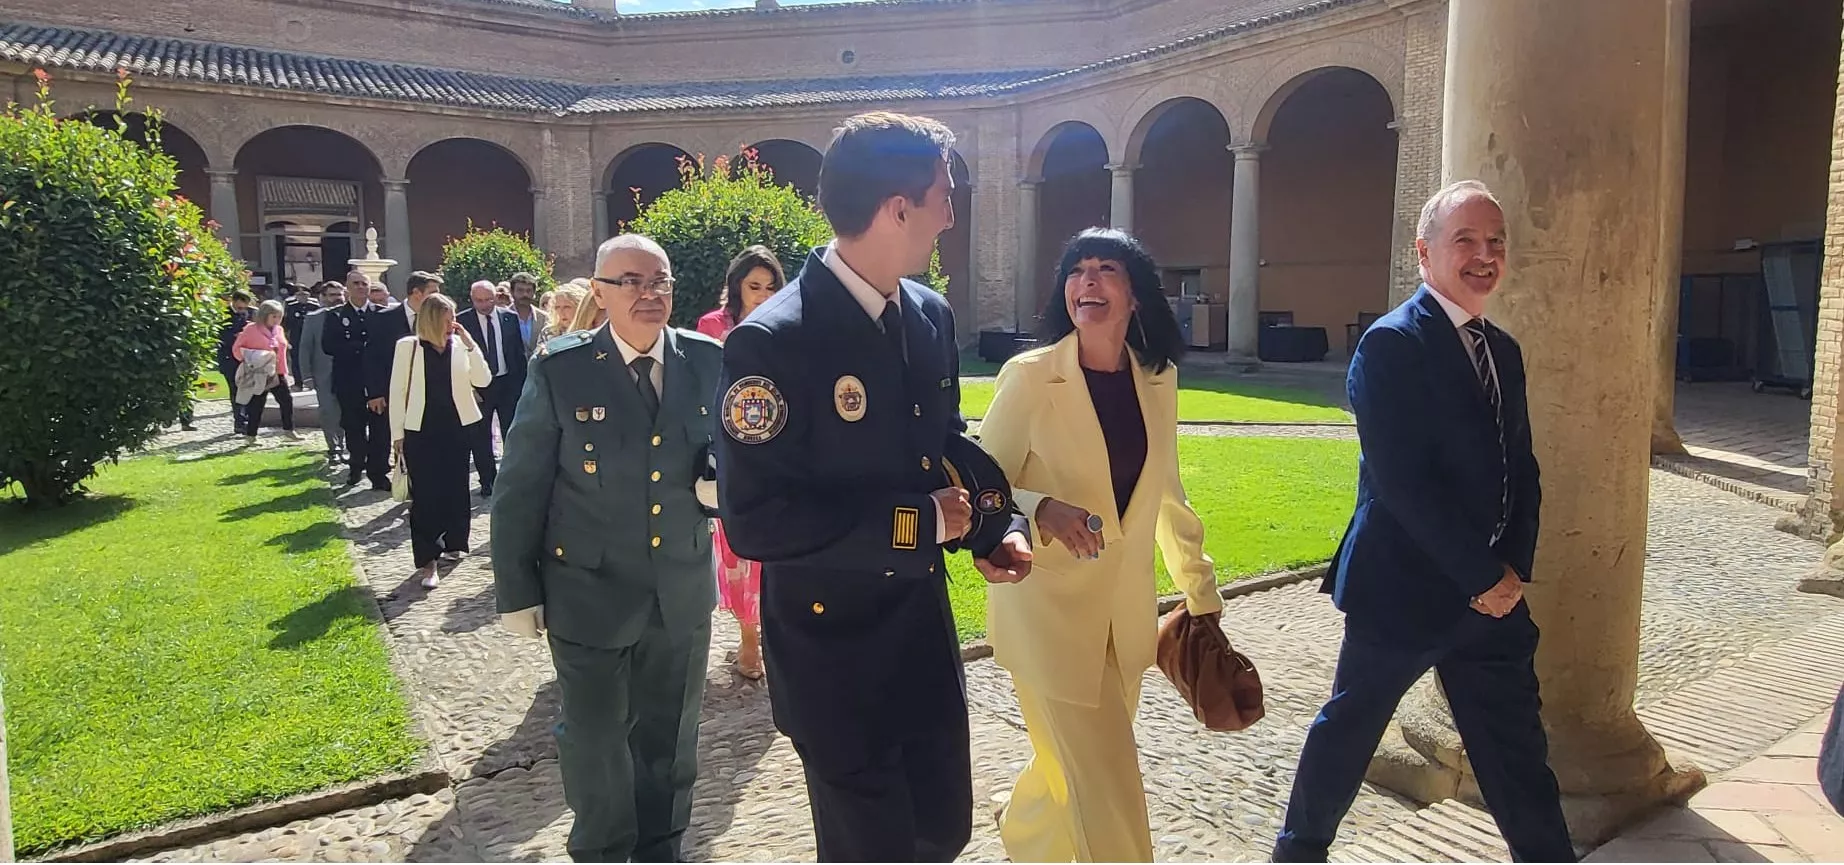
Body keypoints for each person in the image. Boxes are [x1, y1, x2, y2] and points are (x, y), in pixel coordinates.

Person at [715, 111, 1032, 862]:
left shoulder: (926, 313)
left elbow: (941, 443)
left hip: (920, 636)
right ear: (898, 208)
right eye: (942, 195)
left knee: (940, 830)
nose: (950, 214)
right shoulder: (773, 340)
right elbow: (756, 519)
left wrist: (994, 524)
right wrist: (916, 523)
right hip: (834, 655)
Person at [1271, 180, 1571, 863]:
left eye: (1495, 241)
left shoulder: (1505, 351)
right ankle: (1296, 854)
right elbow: (1403, 484)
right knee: (1349, 731)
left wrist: (1513, 569)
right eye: (1465, 239)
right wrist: (1480, 573)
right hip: (1402, 593)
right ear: (1425, 252)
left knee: (1518, 752)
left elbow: (1521, 466)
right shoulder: (1390, 344)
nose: (1483, 254)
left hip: (1493, 598)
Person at [977, 228, 1222, 862]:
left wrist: (1201, 592)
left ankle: (1023, 832)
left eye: (1105, 269)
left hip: (1124, 621)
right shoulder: (1030, 379)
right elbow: (980, 485)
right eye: (1077, 269)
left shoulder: (1158, 382)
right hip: (1048, 616)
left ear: (1135, 295)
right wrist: (1040, 509)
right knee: (1110, 788)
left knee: (1068, 767)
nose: (1087, 280)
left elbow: (1166, 493)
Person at [492, 234, 725, 863]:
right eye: (631, 281)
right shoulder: (561, 368)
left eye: (661, 281)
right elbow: (521, 483)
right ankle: (600, 850)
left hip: (678, 585)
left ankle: (661, 850)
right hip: (587, 590)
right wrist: (517, 589)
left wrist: (721, 485)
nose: (649, 295)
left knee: (671, 741)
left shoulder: (708, 360)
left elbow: (739, 451)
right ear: (599, 291)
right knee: (594, 738)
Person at [696, 245, 786, 679]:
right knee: (737, 548)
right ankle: (748, 634)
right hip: (731, 449)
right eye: (754, 286)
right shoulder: (714, 326)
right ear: (737, 287)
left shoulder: (789, 325)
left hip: (783, 451)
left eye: (771, 287)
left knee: (776, 546)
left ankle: (769, 631)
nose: (763, 295)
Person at [390, 293, 489, 589]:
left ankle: (454, 542)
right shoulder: (408, 348)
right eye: (446, 320)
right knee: (425, 498)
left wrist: (471, 345)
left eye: (453, 319)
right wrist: (397, 435)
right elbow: (398, 391)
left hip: (457, 427)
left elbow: (484, 380)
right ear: (431, 319)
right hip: (420, 430)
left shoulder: (460, 346)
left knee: (456, 489)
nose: (452, 325)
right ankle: (427, 560)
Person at [363, 271, 445, 493]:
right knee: (383, 433)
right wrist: (375, 392)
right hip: (392, 389)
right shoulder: (385, 318)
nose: (437, 297)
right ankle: (379, 475)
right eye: (432, 292)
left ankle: (418, 480)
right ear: (417, 293)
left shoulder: (438, 320)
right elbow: (372, 357)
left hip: (426, 390)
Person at [458, 279, 528, 497]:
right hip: (480, 386)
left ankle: (512, 476)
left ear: (496, 298)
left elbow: (518, 354)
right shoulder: (463, 321)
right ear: (472, 299)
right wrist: (469, 387)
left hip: (507, 382)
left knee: (512, 432)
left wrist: (522, 385)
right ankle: (487, 479)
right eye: (479, 300)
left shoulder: (509, 318)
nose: (484, 304)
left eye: (489, 300)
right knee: (480, 435)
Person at [324, 271, 392, 488]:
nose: (361, 287)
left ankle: (379, 473)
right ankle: (356, 466)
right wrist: (358, 348)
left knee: (381, 430)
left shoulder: (382, 314)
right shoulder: (335, 315)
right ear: (347, 287)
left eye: (365, 284)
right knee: (354, 428)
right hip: (349, 381)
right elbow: (329, 346)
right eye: (356, 283)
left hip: (378, 384)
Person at [232, 300, 301, 444]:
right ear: (264, 315)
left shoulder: (279, 330)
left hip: (278, 372)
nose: (277, 320)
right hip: (260, 372)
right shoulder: (251, 329)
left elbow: (282, 346)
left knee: (286, 401)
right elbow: (237, 349)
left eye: (279, 317)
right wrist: (252, 360)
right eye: (274, 316)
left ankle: (289, 430)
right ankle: (251, 435)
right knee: (257, 404)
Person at [298, 281, 347, 465]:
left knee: (346, 411)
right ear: (324, 297)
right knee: (328, 411)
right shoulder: (314, 318)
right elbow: (305, 348)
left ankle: (346, 446)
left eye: (339, 294)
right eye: (332, 295)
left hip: (347, 373)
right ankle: (333, 447)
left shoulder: (350, 315)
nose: (337, 298)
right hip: (323, 373)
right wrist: (307, 376)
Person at [217, 289, 254, 432]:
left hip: (243, 357)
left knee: (246, 388)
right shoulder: (224, 315)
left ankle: (245, 418)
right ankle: (239, 421)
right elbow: (221, 335)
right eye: (240, 307)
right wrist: (237, 335)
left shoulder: (246, 313)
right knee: (235, 389)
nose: (242, 310)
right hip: (229, 358)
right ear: (234, 301)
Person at [282, 281, 321, 390]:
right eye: (300, 294)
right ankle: (298, 382)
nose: (303, 296)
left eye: (305, 294)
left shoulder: (313, 305)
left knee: (313, 358)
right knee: (296, 359)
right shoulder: (291, 305)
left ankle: (312, 381)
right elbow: (286, 322)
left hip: (311, 336)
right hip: (296, 336)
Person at [509, 272, 550, 354]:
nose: (525, 294)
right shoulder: (502, 318)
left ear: (534, 293)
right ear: (512, 292)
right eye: (520, 290)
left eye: (529, 291)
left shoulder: (544, 318)